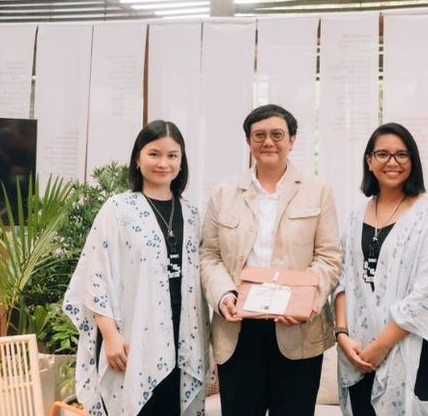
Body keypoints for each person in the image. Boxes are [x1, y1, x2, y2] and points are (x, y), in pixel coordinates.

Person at [199, 104, 341, 416]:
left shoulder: (317, 190)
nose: (268, 142)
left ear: (292, 140)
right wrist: (223, 295)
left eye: (277, 134)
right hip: (238, 328)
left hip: (297, 329)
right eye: (259, 135)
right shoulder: (224, 192)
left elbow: (329, 257)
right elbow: (208, 254)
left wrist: (304, 301)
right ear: (248, 141)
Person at [63, 120, 208, 416]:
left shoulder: (192, 213)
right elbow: (96, 274)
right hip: (133, 334)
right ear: (138, 160)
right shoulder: (118, 209)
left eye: (172, 155)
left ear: (181, 162)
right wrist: (110, 335)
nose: (163, 163)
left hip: (183, 334)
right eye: (154, 154)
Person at [334, 122, 428, 416]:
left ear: (413, 161)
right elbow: (342, 279)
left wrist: (381, 346)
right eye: (382, 154)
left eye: (401, 154)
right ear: (369, 161)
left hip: (406, 350)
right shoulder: (356, 215)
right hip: (356, 352)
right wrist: (342, 335)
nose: (392, 162)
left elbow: (426, 294)